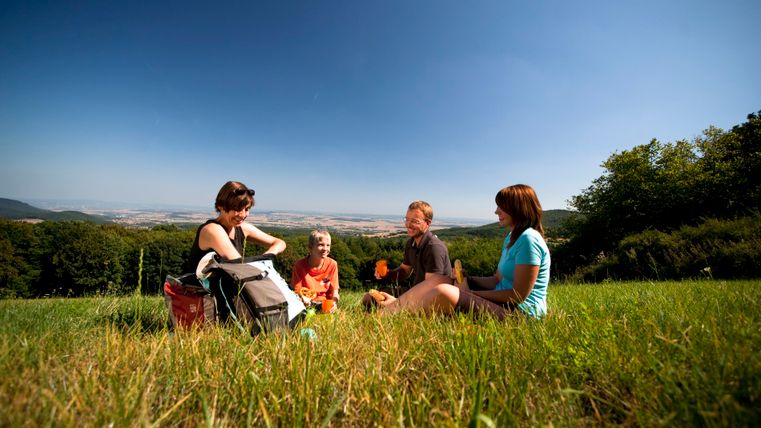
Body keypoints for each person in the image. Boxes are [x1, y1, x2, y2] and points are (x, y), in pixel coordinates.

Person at [374, 184, 551, 319]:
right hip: (502, 305)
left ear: (517, 208)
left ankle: (393, 311)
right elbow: (497, 280)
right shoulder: (513, 238)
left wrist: (469, 294)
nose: (496, 211)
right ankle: (391, 311)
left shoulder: (529, 239)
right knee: (439, 280)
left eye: (501, 207)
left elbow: (517, 296)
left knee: (444, 291)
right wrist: (466, 279)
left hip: (520, 314)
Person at [184, 181, 286, 319]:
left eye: (247, 209)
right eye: (237, 209)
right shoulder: (212, 230)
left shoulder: (242, 227)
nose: (242, 215)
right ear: (220, 207)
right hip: (202, 301)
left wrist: (267, 256)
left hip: (224, 295)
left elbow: (279, 243)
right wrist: (262, 265)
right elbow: (240, 267)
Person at [361, 200, 452, 307]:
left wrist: (398, 303)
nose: (408, 224)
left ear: (428, 223)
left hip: (429, 300)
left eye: (415, 221)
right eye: (407, 219)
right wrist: (387, 273)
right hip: (414, 292)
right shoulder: (411, 243)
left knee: (380, 304)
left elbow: (431, 288)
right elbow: (404, 272)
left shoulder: (434, 248)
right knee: (368, 298)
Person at [291, 229, 340, 310]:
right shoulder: (299, 265)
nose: (325, 249)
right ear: (310, 247)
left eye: (328, 245)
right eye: (321, 245)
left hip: (324, 303)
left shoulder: (332, 264)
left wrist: (334, 302)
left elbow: (334, 291)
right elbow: (297, 290)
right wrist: (303, 298)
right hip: (305, 302)